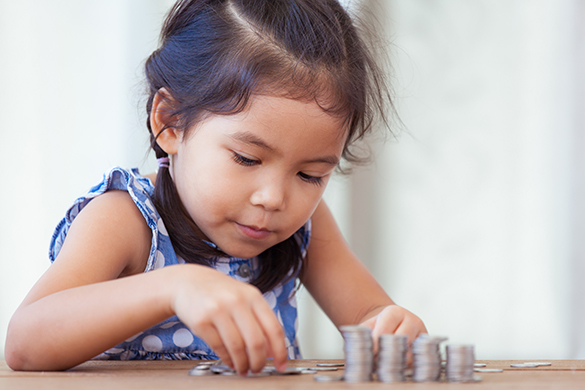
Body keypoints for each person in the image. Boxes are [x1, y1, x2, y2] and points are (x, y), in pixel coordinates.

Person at [5, 0, 427, 374]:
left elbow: (370, 314)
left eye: (309, 175)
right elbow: (24, 344)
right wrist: (173, 286)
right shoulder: (127, 219)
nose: (274, 198)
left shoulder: (306, 224)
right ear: (170, 123)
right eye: (247, 158)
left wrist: (391, 327)